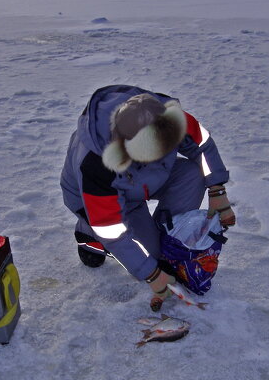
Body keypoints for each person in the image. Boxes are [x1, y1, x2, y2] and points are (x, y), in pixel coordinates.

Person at [60, 84, 236, 310]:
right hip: (100, 201)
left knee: (193, 174)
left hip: (142, 181)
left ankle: (166, 237)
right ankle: (87, 232)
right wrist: (152, 274)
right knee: (149, 258)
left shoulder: (170, 117)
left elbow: (201, 144)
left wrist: (217, 190)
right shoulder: (96, 165)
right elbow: (111, 230)